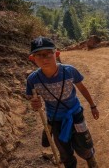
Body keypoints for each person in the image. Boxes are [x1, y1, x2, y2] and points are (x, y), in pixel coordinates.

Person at [26, 36, 99, 168]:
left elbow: (82, 88)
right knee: (64, 151)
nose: (44, 58)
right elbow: (31, 97)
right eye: (39, 55)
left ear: (57, 54)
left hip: (76, 114)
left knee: (84, 144)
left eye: (48, 54)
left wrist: (93, 106)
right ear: (33, 59)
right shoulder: (33, 79)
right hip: (54, 120)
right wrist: (34, 103)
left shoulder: (69, 71)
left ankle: (90, 159)